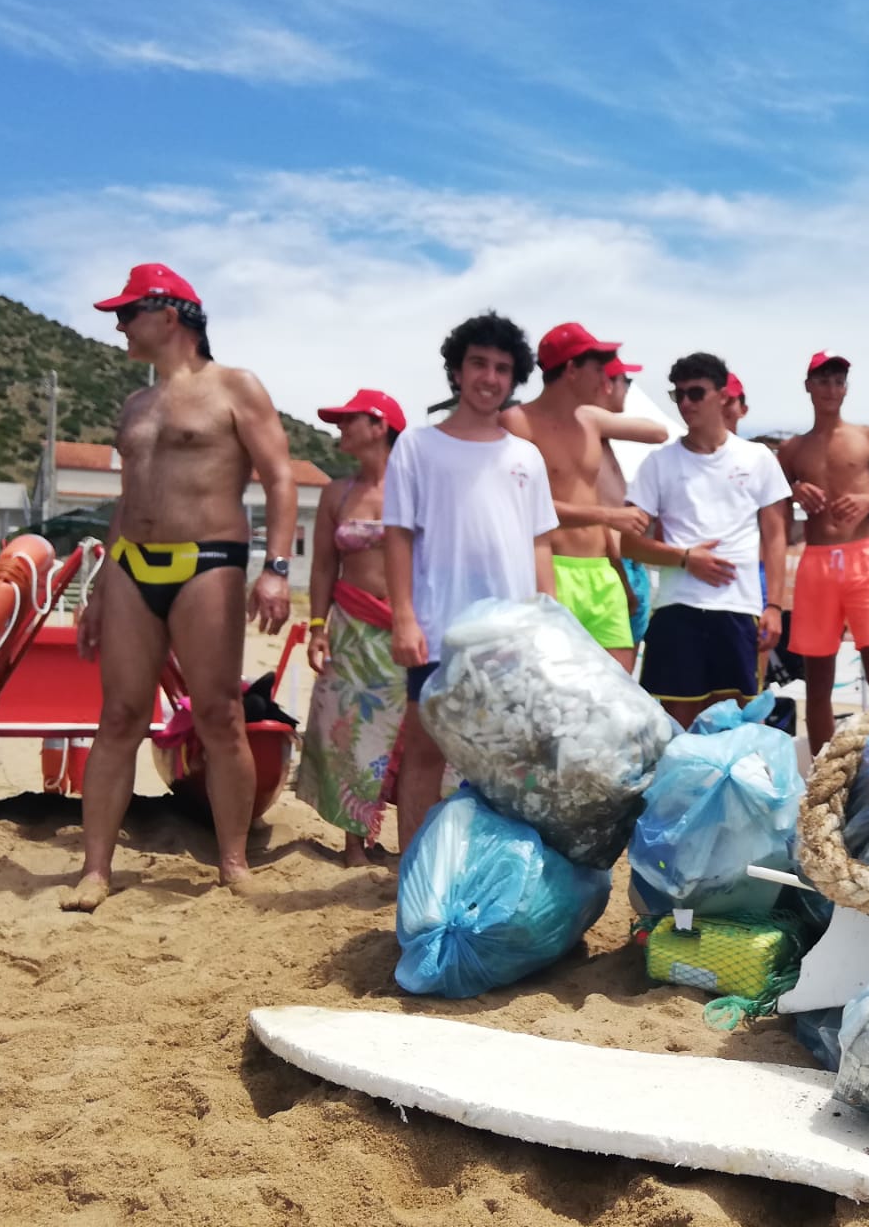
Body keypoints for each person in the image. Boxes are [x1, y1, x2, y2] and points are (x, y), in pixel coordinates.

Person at [64, 265, 297, 911]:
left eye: (127, 311)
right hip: (132, 563)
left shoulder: (235, 387)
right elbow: (126, 500)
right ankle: (95, 870)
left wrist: (276, 569)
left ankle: (232, 862)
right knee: (119, 716)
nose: (117, 325)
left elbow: (280, 478)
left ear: (170, 316)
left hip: (209, 559)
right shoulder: (135, 405)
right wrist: (100, 590)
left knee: (219, 714)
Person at [384, 313, 558, 854]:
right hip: (439, 633)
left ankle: (487, 869)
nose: (489, 377)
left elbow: (540, 544)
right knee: (425, 756)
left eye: (502, 368)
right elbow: (397, 536)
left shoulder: (526, 456)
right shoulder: (416, 447)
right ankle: (412, 872)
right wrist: (404, 617)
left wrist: (549, 624)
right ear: (456, 372)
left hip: (511, 638)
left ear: (514, 378)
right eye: (478, 363)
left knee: (507, 762)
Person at [623, 353, 790, 727]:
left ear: (723, 396)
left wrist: (775, 605)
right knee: (677, 729)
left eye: (695, 393)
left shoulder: (758, 457)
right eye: (677, 395)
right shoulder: (658, 463)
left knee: (737, 727)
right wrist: (685, 558)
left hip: (739, 610)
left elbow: (776, 536)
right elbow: (627, 544)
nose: (684, 403)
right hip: (677, 609)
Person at [295, 388, 410, 867]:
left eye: (349, 420)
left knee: (413, 735)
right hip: (350, 625)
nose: (339, 428)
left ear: (380, 426)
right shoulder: (334, 492)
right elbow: (323, 566)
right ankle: (354, 845)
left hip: (408, 627)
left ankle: (413, 842)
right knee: (349, 731)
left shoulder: (418, 489)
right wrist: (318, 627)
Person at [514, 323, 669, 671]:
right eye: (599, 370)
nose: (606, 380)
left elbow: (658, 433)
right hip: (552, 569)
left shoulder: (592, 420)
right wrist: (607, 515)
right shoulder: (517, 422)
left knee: (620, 698)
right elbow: (524, 509)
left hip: (602, 573)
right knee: (558, 698)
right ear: (571, 370)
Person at [776, 351, 869, 751]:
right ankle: (822, 778)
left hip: (865, 555)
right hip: (817, 559)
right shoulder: (793, 450)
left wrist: (867, 502)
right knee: (818, 678)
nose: (831, 388)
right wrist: (795, 491)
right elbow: (776, 514)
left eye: (838, 381)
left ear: (846, 388)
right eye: (823, 380)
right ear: (808, 387)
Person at [594, 354, 656, 647]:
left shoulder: (600, 435)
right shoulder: (590, 433)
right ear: (607, 384)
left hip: (625, 563)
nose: (629, 388)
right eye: (625, 381)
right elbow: (658, 432)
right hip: (613, 565)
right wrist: (622, 579)